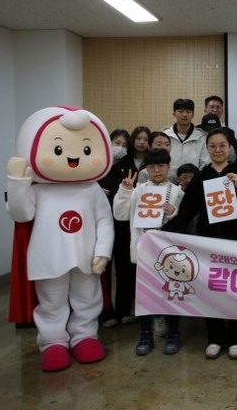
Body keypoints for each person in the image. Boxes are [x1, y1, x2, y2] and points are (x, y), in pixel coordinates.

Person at [6, 107, 114, 372]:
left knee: (87, 298)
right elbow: (21, 214)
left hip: (85, 255)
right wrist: (17, 182)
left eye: (86, 150)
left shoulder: (92, 189)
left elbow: (105, 221)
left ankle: (85, 335)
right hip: (48, 256)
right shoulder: (39, 190)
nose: (74, 157)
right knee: (51, 302)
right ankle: (53, 341)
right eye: (57, 149)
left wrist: (103, 251)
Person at [162, 128, 237, 360]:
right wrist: (162, 233)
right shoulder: (201, 176)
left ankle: (236, 339)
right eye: (212, 146)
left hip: (236, 240)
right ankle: (215, 338)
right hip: (208, 243)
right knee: (211, 290)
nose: (217, 150)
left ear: (229, 148)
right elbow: (187, 212)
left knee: (236, 291)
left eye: (222, 145)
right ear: (207, 148)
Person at [112, 148, 185, 356]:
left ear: (169, 167)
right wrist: (125, 190)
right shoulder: (137, 190)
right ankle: (145, 333)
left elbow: (183, 221)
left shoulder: (177, 191)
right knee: (144, 295)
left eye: (161, 166)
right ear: (146, 169)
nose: (157, 170)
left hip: (168, 253)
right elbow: (120, 215)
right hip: (143, 250)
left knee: (171, 292)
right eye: (151, 167)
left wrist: (174, 213)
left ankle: (173, 332)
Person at [97, 129, 134, 327]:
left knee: (124, 268)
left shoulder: (129, 168)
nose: (120, 148)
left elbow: (129, 195)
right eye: (117, 143)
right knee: (103, 268)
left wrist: (110, 194)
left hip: (123, 226)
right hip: (100, 225)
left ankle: (124, 310)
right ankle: (105, 311)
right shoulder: (97, 166)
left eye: (125, 145)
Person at [163, 98, 210, 168]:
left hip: (195, 175)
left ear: (193, 115)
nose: (184, 115)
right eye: (180, 111)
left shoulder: (201, 137)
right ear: (174, 114)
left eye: (188, 112)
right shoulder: (165, 136)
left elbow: (205, 164)